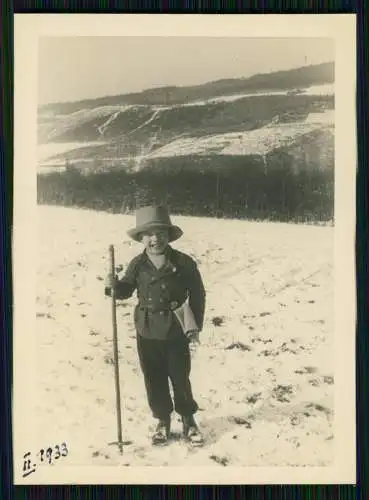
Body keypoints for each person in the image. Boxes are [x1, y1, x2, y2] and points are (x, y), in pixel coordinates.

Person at [105, 205, 206, 446]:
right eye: (149, 234)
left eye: (160, 233)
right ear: (141, 238)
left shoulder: (183, 262)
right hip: (147, 329)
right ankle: (162, 419)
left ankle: (188, 418)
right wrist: (113, 285)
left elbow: (198, 294)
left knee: (180, 376)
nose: (155, 239)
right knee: (153, 377)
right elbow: (126, 290)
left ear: (169, 236)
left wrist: (194, 326)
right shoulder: (138, 264)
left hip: (175, 329)